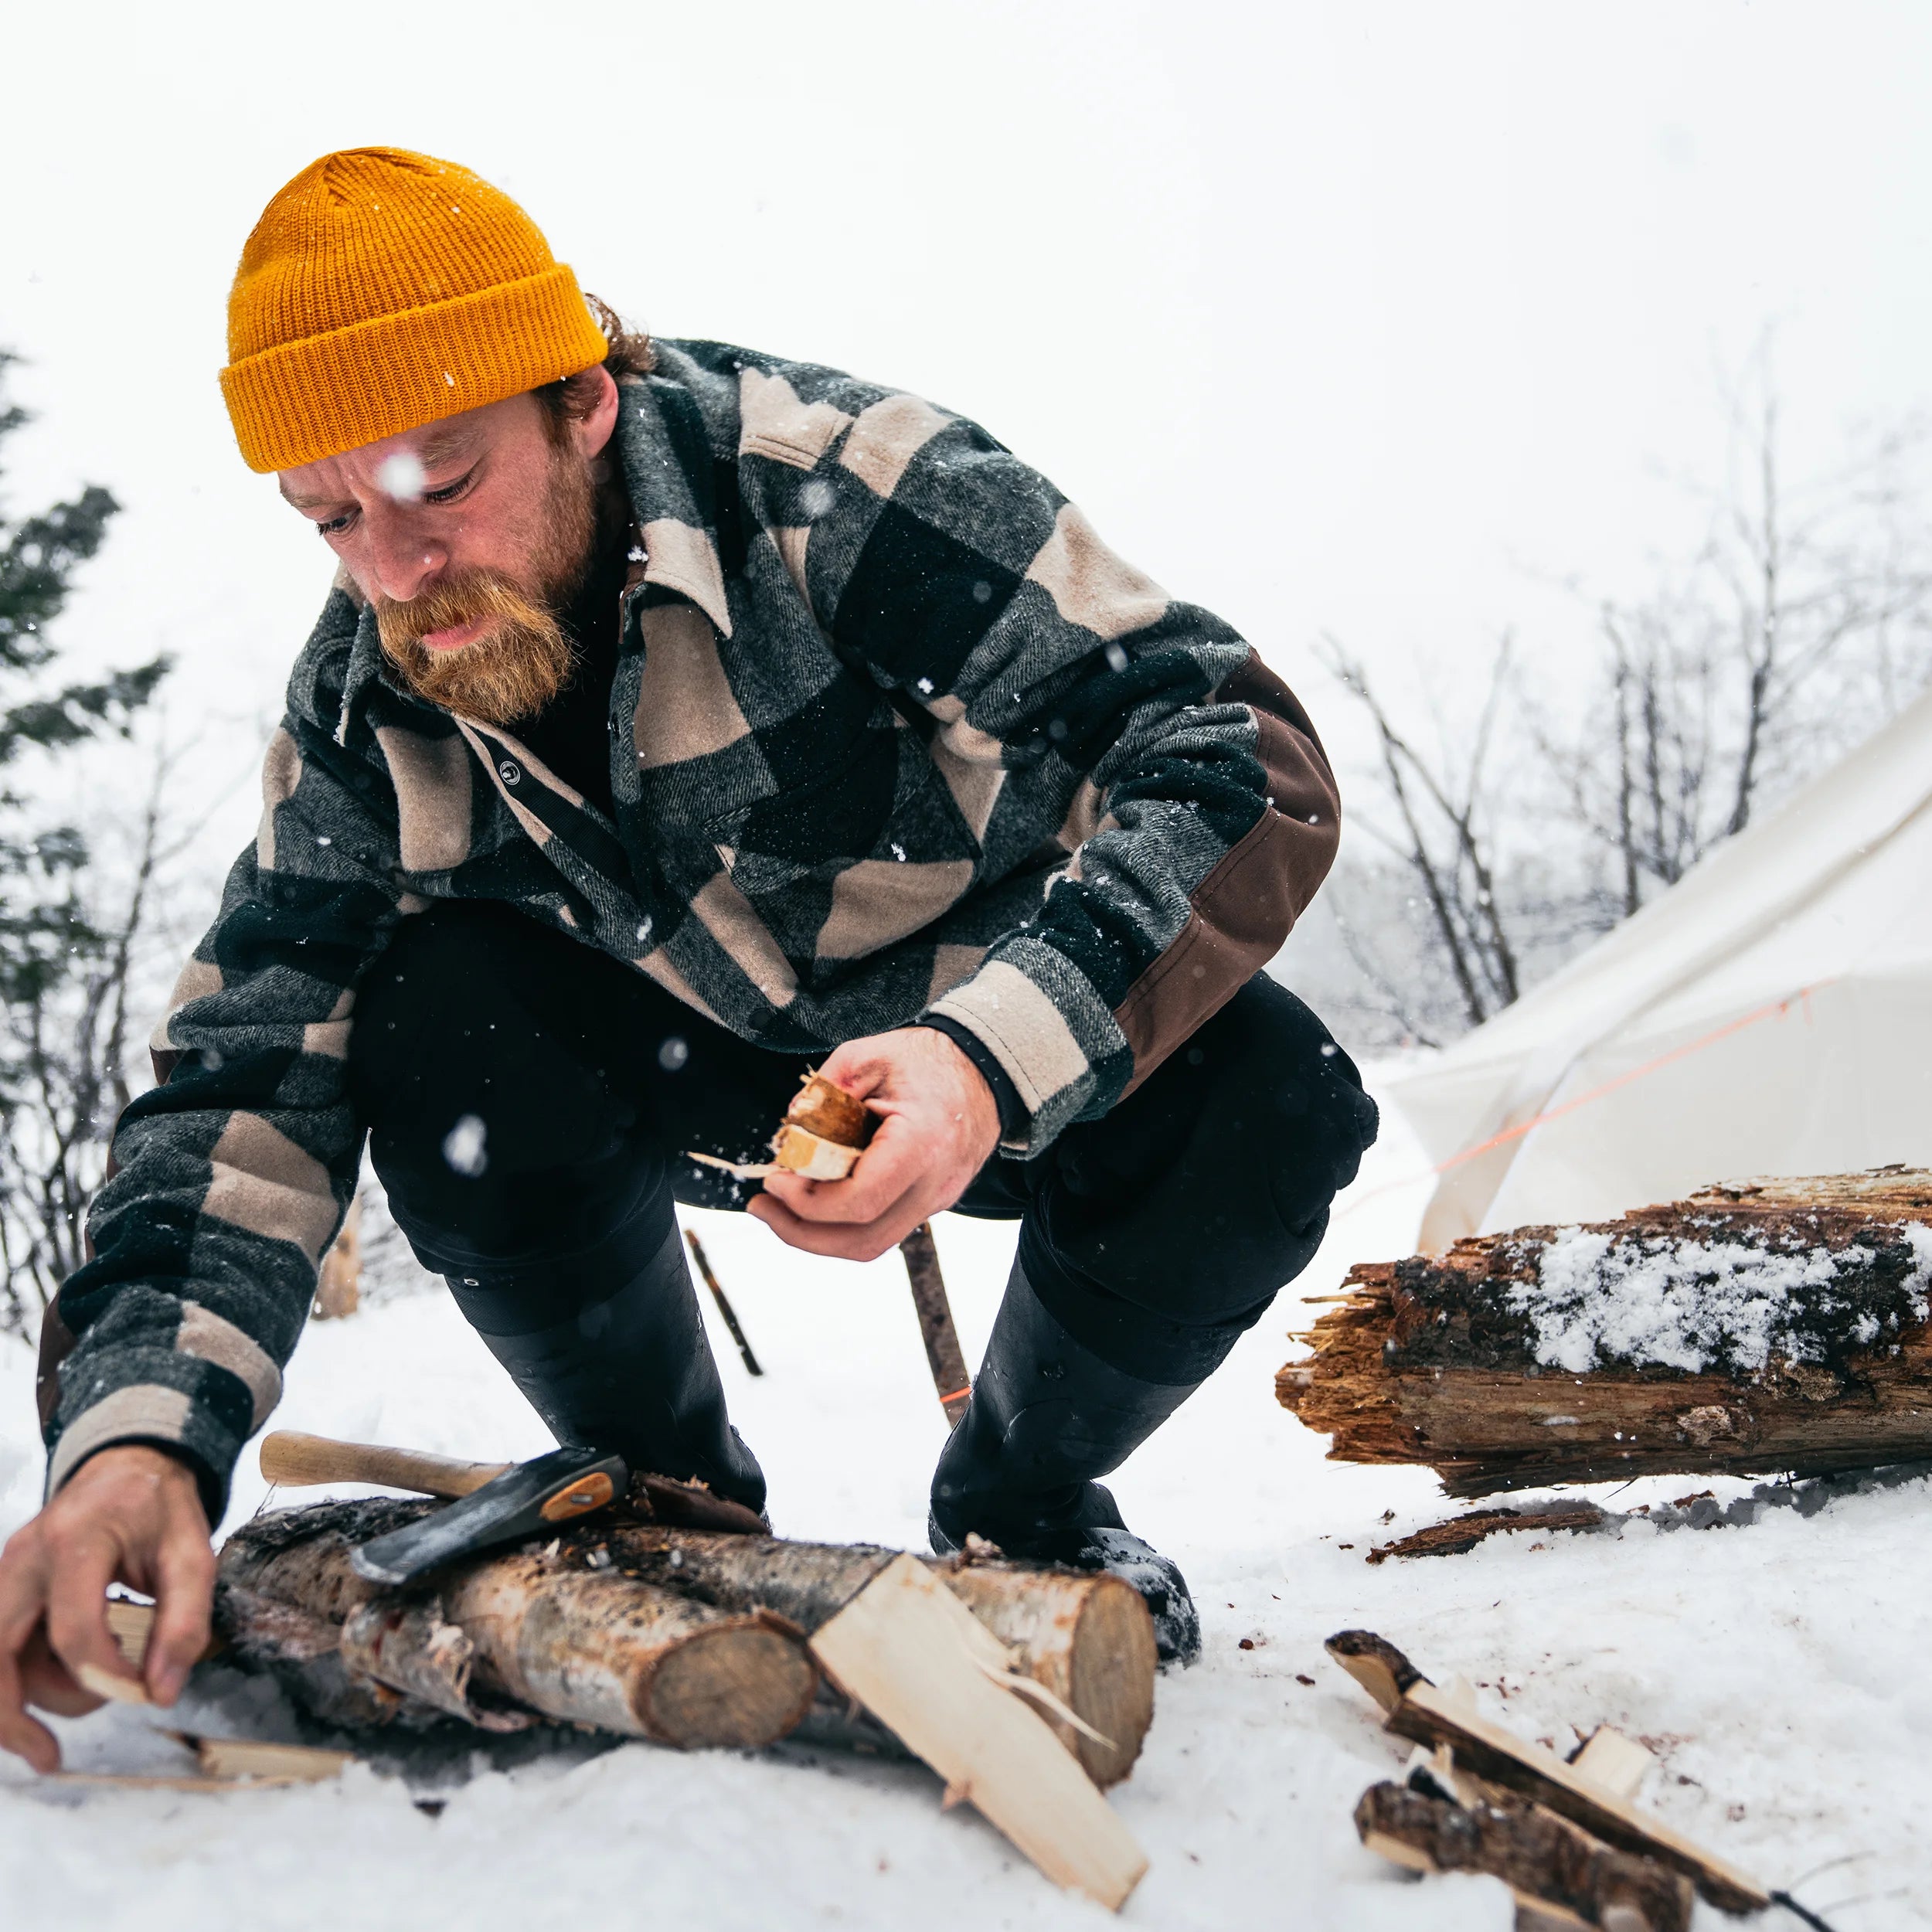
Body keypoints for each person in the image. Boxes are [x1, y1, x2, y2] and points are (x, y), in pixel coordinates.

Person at [0, 148, 1376, 1769]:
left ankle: (1024, 1504)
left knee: (1272, 1093)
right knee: (432, 1018)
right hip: (676, 1073)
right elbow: (246, 1073)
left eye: (438, 482)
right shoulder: (365, 712)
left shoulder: (840, 488)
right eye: (329, 517)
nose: (394, 567)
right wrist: (134, 1441)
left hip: (995, 1047)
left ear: (582, 398)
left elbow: (1222, 745)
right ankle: (666, 1504)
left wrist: (982, 1055)